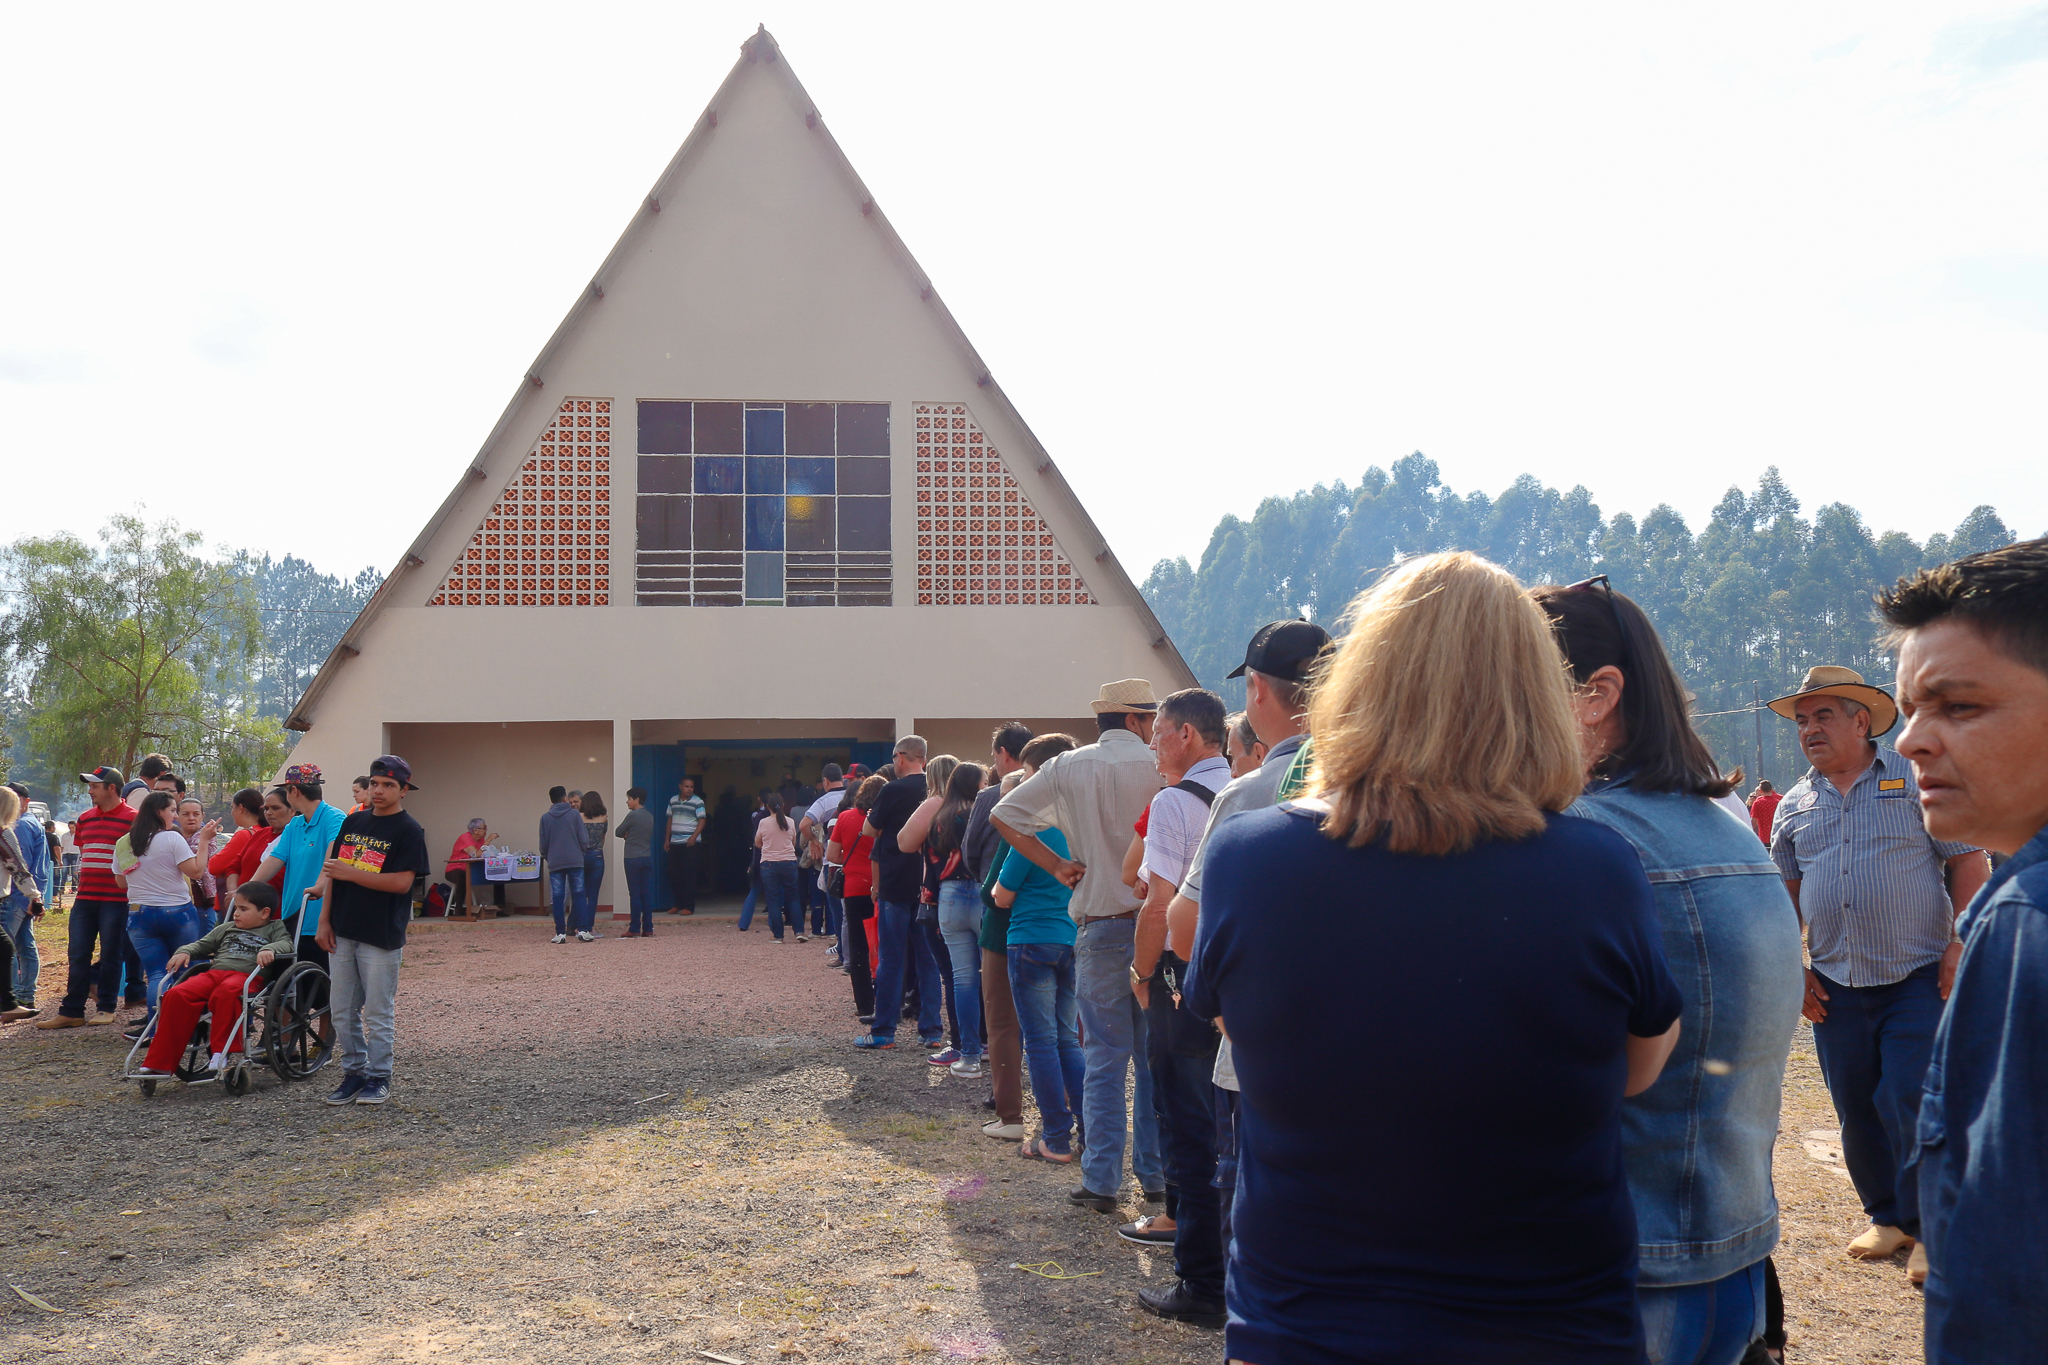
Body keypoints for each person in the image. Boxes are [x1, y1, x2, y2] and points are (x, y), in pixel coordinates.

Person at [1183, 551, 1683, 1365]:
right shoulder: (1599, 868)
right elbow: (1634, 1066)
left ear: (1357, 684)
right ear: (1537, 696)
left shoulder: (1251, 860)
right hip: (1549, 1328)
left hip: (1306, 1323)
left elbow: (1244, 1027)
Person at [1533, 577, 1804, 1365]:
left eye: (1516, 687)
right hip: (1730, 1253)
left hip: (1632, 1269)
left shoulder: (1585, 837)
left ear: (1596, 695)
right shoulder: (1718, 822)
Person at [1873, 539, 2048, 1362]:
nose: (1910, 740)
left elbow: (2006, 1270)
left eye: (1959, 706)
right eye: (1909, 708)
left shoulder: (2025, 923)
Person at [1766, 665, 1990, 1280]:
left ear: (1861, 721)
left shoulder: (1917, 779)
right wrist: (1795, 966)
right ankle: (1886, 1218)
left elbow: (1968, 861)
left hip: (1916, 975)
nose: (1809, 729)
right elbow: (1785, 895)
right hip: (1836, 983)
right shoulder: (1793, 804)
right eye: (1802, 720)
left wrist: (1958, 942)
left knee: (1910, 1092)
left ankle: (1927, 1227)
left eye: (1824, 716)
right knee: (1856, 1104)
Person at [1162, 620, 1327, 1287]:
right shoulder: (1389, 775)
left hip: (1261, 1042)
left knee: (1256, 1210)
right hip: (1366, 1044)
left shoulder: (1254, 790)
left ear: (1257, 689)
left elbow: (1183, 922)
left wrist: (1223, 1005)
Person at [993, 680, 1166, 1213]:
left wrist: (1056, 864)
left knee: (1104, 1057)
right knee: (1154, 1057)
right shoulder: (1161, 763)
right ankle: (1157, 1178)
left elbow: (1006, 815)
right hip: (1155, 920)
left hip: (1096, 921)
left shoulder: (1068, 766)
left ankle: (1101, 1182)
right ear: (1137, 720)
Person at [1122, 687, 1233, 1324]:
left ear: (1187, 736)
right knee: (1230, 1117)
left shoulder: (1174, 800)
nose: (1153, 744)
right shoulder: (1252, 780)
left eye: (1158, 732)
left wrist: (1140, 970)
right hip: (1239, 969)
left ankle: (1199, 1278)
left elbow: (1158, 903)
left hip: (1182, 969)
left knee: (1186, 1121)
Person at [314, 755, 428, 1107]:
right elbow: (334, 874)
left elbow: (402, 883)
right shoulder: (353, 822)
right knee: (342, 1008)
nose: (379, 790)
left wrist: (352, 873)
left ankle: (379, 1076)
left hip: (381, 934)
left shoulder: (409, 830)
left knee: (378, 1011)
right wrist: (324, 920)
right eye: (375, 783)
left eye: (389, 785)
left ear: (404, 790)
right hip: (343, 930)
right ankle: (353, 1073)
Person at [992, 766, 1087, 1163]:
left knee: (1041, 1041)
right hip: (1072, 939)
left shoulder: (1029, 839)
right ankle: (1090, 1129)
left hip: (1030, 941)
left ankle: (1056, 1138)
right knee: (1069, 1038)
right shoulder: (1080, 832)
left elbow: (1001, 895)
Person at [132, 881, 294, 1079]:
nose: (236, 913)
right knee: (176, 994)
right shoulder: (226, 928)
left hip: (247, 977)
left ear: (265, 913)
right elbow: (200, 945)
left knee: (225, 993)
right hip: (215, 973)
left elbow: (286, 944)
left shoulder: (274, 928)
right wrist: (184, 951)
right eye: (235, 908)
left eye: (243, 909)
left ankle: (221, 1051)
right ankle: (159, 1062)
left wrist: (271, 949)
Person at [967, 724, 1036, 1140]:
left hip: (1005, 933)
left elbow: (995, 889)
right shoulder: (1064, 824)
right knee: (1054, 1029)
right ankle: (1064, 1110)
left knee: (1003, 1024)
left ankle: (1010, 1114)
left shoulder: (1017, 831)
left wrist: (987, 890)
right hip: (1057, 932)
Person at [856, 737, 945, 1050]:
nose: (893, 762)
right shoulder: (937, 791)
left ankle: (884, 1032)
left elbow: (869, 830)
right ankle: (932, 1031)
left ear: (904, 757)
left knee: (891, 961)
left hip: (894, 884)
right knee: (929, 961)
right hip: (927, 885)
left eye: (895, 757)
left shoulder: (892, 790)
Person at [903, 761, 989, 1077]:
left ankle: (968, 1054)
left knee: (961, 978)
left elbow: (921, 854)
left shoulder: (938, 817)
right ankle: (993, 1044)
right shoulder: (984, 814)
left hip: (948, 896)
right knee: (992, 975)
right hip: (981, 892)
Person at [38, 766, 137, 1028]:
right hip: (85, 898)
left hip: (116, 899)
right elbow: (86, 852)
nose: (90, 791)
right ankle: (72, 1010)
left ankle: (106, 1007)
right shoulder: (84, 819)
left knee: (111, 952)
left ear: (111, 788)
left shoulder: (134, 819)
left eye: (94, 786)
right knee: (77, 953)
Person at [114, 791, 218, 1037]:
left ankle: (154, 1031)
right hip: (177, 912)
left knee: (157, 974)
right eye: (172, 810)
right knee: (184, 969)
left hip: (139, 914)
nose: (175, 815)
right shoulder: (172, 839)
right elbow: (196, 871)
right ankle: (187, 1028)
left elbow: (121, 882)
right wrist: (203, 841)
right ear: (159, 811)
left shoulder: (125, 841)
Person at [252, 765, 347, 983]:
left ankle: (330, 1018)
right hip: (293, 913)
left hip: (318, 914)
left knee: (324, 985)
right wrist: (249, 887)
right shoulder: (295, 823)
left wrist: (321, 885)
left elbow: (335, 852)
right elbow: (276, 858)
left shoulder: (334, 817)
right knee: (286, 984)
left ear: (294, 791)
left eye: (286, 791)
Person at [827, 774, 885, 1021]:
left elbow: (833, 854)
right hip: (882, 887)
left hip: (853, 887)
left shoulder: (845, 818)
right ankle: (889, 999)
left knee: (858, 948)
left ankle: (864, 1004)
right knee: (887, 946)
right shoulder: (886, 820)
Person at [4, 783, 49, 1019]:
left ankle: (10, 998)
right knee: (25, 946)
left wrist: (32, 896)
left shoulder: (18, 825)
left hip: (14, 896)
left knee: (7, 948)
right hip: (26, 896)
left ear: (24, 801)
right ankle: (24, 994)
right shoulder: (34, 823)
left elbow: (20, 866)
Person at [800, 764, 849, 952]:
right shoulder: (854, 796)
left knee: (837, 910)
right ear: (842, 779)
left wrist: (813, 840)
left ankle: (843, 950)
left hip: (833, 861)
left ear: (825, 781)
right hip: (854, 858)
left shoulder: (823, 801)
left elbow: (805, 824)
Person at [209, 787, 282, 903]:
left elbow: (213, 866)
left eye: (232, 807)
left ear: (241, 808)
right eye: (266, 809)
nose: (269, 813)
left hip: (251, 902)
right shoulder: (261, 833)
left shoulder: (245, 835)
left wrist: (204, 840)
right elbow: (234, 866)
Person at [540, 785, 591, 943]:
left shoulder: (545, 818)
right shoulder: (574, 814)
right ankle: (582, 930)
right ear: (564, 799)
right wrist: (580, 852)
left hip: (555, 861)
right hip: (575, 860)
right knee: (579, 894)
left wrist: (549, 856)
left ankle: (560, 933)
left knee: (558, 897)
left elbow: (543, 844)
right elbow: (583, 838)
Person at [754, 793, 802, 943]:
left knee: (773, 900)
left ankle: (778, 935)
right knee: (793, 898)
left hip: (769, 863)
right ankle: (799, 931)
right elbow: (793, 842)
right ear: (782, 806)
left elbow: (758, 843)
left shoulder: (763, 822)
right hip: (789, 862)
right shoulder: (790, 821)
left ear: (768, 806)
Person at [615, 789, 656, 937]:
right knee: (645, 893)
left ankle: (634, 927)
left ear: (636, 799)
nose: (627, 801)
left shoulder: (632, 816)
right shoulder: (649, 816)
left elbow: (618, 831)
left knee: (634, 894)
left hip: (632, 857)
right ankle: (648, 927)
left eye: (629, 799)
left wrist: (627, 834)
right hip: (646, 856)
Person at [664, 776, 706, 915]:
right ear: (680, 786)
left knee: (689, 875)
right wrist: (667, 839)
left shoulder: (697, 802)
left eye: (692, 787)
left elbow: (702, 820)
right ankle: (677, 904)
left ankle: (688, 906)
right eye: (687, 786)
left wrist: (694, 836)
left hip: (690, 844)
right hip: (675, 843)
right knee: (673, 873)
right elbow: (670, 820)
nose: (689, 789)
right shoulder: (673, 800)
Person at [445, 818, 502, 920]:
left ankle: (500, 907)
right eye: (484, 828)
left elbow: (483, 853)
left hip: (471, 869)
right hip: (456, 868)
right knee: (463, 878)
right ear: (475, 830)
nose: (486, 830)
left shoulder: (480, 840)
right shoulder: (465, 838)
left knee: (497, 873)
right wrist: (489, 840)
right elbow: (475, 854)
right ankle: (458, 912)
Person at [578, 790, 609, 934]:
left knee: (580, 893)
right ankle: (589, 928)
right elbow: (603, 838)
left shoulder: (578, 817)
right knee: (593, 894)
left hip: (581, 855)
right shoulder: (603, 817)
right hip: (597, 855)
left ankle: (580, 926)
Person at [1748, 780, 1782, 846]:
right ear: (1772, 790)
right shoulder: (1778, 802)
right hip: (1776, 837)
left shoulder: (1757, 803)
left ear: (1760, 791)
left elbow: (1753, 822)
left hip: (1763, 837)